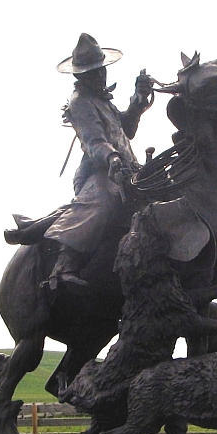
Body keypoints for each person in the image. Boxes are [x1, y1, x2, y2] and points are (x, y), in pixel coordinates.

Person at [43, 33, 154, 292]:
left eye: (101, 69)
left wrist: (139, 99)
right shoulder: (80, 102)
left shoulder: (102, 100)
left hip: (128, 170)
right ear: (80, 76)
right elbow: (94, 142)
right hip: (99, 172)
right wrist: (112, 157)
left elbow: (126, 130)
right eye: (93, 72)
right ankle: (65, 263)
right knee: (104, 201)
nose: (100, 75)